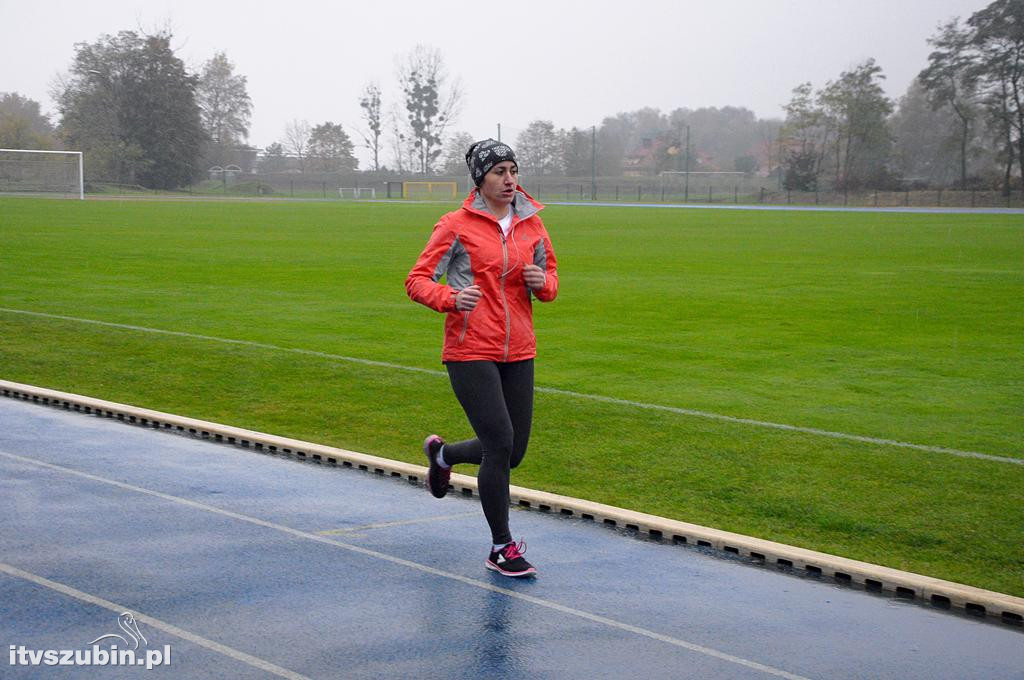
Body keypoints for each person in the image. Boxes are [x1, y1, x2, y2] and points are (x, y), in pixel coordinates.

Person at [405, 139, 559, 578]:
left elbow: (550, 280)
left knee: (513, 452)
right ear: (480, 179)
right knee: (499, 443)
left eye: (513, 170)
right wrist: (451, 298)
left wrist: (541, 282)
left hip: (520, 348)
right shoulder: (455, 225)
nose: (510, 180)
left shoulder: (533, 225)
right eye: (499, 172)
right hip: (470, 348)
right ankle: (501, 547)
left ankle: (443, 456)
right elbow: (417, 280)